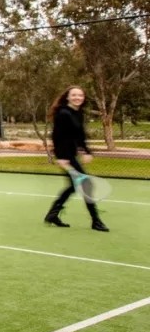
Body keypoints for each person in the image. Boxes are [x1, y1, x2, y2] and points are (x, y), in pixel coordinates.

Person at [45, 86, 108, 232]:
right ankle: (96, 221)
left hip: (71, 155)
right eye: (74, 95)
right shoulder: (63, 113)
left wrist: (86, 151)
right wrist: (61, 157)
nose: (77, 98)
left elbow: (80, 135)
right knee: (86, 185)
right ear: (67, 97)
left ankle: (52, 214)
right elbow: (56, 136)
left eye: (80, 95)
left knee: (74, 186)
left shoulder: (78, 112)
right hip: (65, 156)